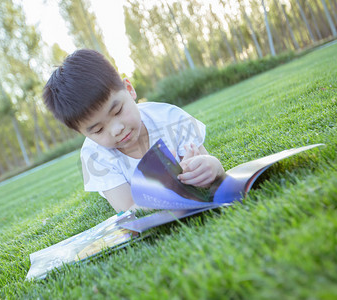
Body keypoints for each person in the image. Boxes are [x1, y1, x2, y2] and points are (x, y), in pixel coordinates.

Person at [43, 49, 225, 213]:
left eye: (118, 111)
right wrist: (167, 186)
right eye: (98, 130)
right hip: (125, 188)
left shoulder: (170, 118)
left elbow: (210, 174)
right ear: (85, 134)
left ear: (129, 90)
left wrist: (212, 167)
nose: (117, 129)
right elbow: (130, 210)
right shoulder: (95, 156)